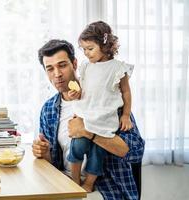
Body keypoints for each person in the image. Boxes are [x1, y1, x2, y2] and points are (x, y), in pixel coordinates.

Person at [32, 38, 145, 200]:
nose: (57, 74)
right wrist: (44, 153)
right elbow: (54, 163)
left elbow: (136, 152)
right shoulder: (48, 109)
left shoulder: (108, 99)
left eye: (62, 65)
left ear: (75, 64)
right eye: (50, 69)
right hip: (65, 185)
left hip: (106, 189)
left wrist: (88, 132)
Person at [66, 20, 136, 192]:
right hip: (85, 116)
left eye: (90, 48)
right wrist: (75, 93)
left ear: (105, 45)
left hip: (104, 120)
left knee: (98, 155)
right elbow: (84, 90)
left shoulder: (118, 68)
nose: (86, 53)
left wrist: (126, 115)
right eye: (84, 49)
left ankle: (89, 184)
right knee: (77, 147)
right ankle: (74, 181)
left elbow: (126, 93)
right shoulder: (85, 67)